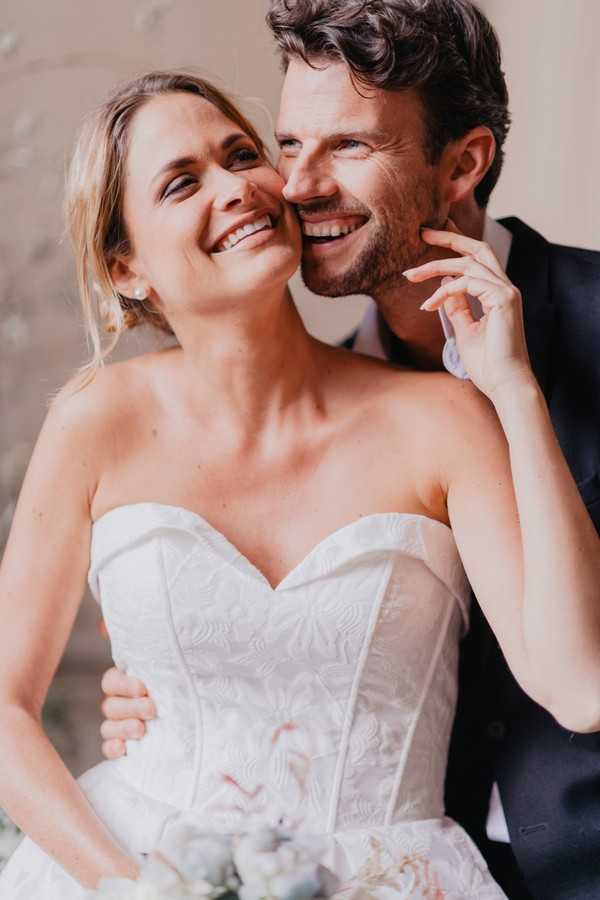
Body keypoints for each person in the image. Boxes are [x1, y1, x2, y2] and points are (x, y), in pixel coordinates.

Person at [99, 3, 600, 899]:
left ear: (464, 163)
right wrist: (171, 689)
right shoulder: (334, 402)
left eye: (350, 148)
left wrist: (515, 390)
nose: (296, 185)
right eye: (289, 143)